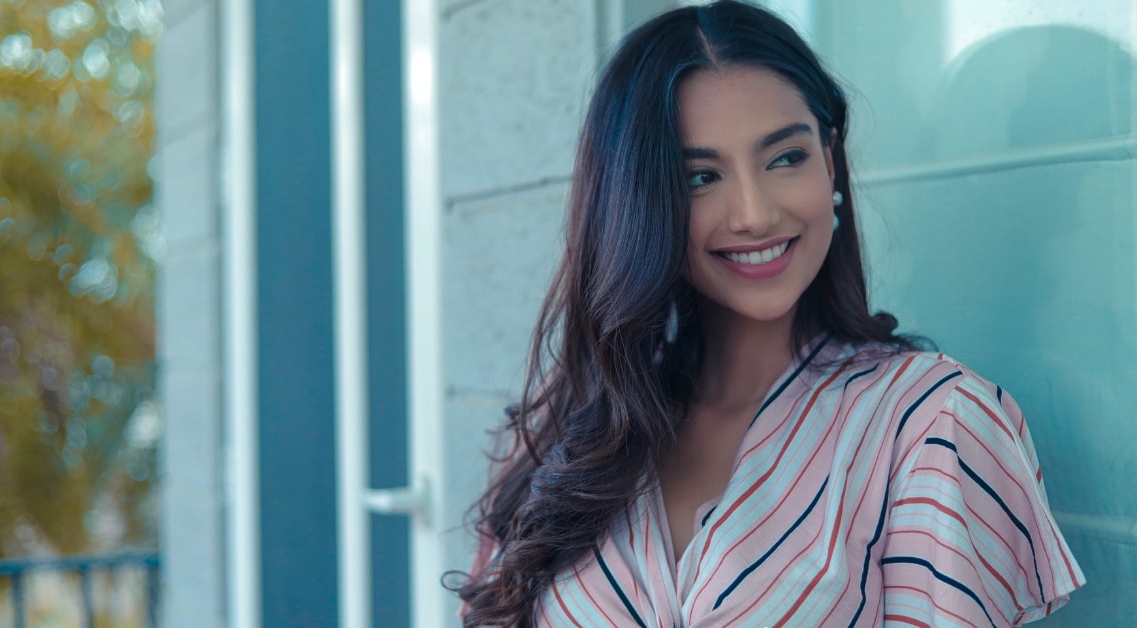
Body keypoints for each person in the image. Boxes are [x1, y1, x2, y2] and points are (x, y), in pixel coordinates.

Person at [454, 1, 1084, 625]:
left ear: (830, 160)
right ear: (640, 203)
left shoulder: (934, 426)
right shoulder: (561, 423)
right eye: (700, 176)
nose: (754, 212)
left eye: (786, 158)